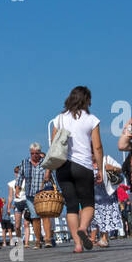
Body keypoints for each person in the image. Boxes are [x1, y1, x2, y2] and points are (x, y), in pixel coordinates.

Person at [48, 86, 104, 253]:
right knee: (88, 204)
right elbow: (98, 147)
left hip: (63, 167)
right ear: (86, 100)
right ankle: (83, 227)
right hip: (83, 166)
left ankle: (78, 245)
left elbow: (53, 144)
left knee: (71, 206)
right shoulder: (91, 119)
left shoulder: (59, 119)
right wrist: (100, 169)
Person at [16, 142, 52, 248]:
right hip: (30, 194)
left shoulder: (45, 162)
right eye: (32, 153)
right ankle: (38, 240)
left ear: (40, 153)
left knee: (45, 216)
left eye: (37, 153)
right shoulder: (25, 162)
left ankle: (48, 239)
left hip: (43, 193)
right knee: (35, 217)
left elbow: (52, 176)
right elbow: (20, 176)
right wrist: (17, 189)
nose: (34, 155)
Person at [92, 155, 123, 247]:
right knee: (96, 217)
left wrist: (112, 168)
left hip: (107, 194)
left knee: (106, 214)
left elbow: (120, 169)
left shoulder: (106, 159)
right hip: (94, 194)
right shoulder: (86, 162)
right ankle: (99, 238)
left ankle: (104, 238)